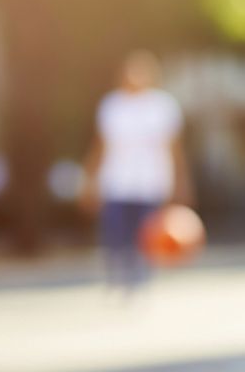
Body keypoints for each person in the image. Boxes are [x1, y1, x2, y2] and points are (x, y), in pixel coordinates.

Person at [81, 50, 193, 293]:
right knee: (115, 235)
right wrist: (90, 179)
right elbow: (100, 146)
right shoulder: (112, 105)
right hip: (117, 182)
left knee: (146, 237)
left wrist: (181, 182)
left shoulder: (163, 106)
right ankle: (117, 278)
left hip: (150, 183)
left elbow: (175, 149)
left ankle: (140, 280)